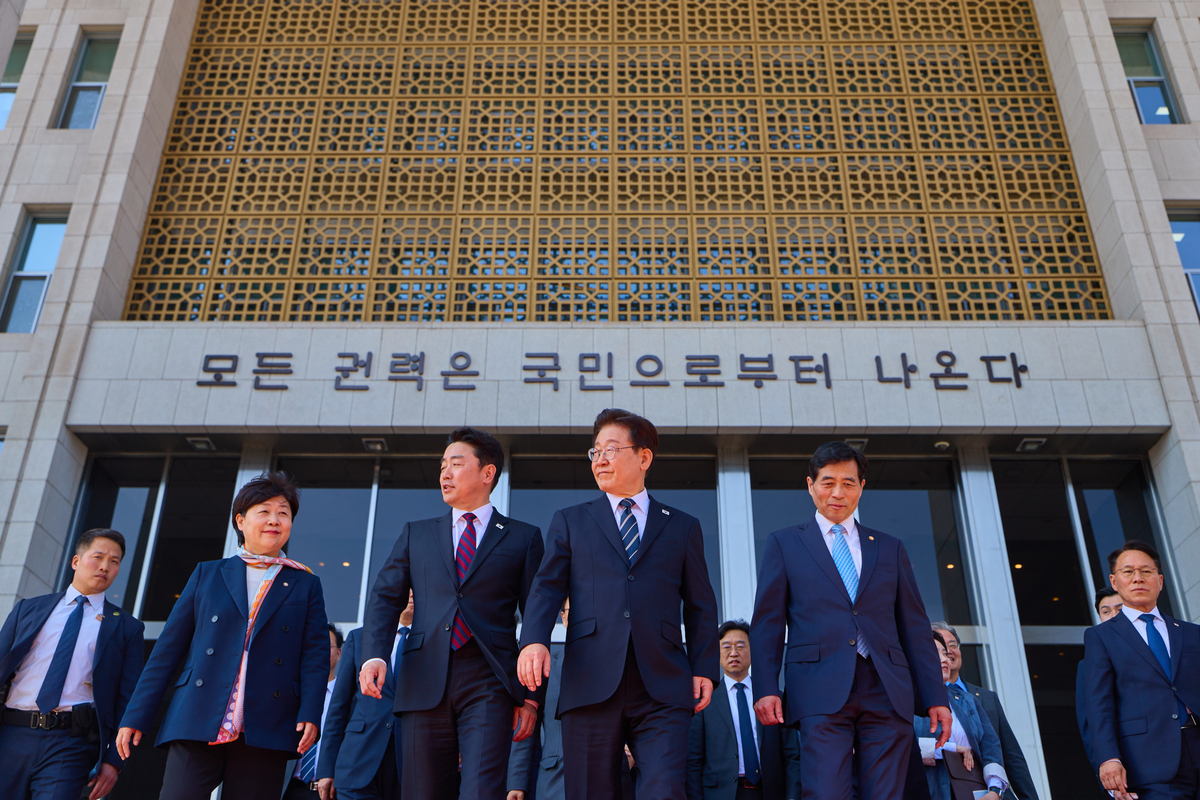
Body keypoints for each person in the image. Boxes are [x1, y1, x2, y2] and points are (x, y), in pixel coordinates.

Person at [517, 408, 721, 800]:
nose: (601, 459)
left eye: (612, 449)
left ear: (644, 457)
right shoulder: (571, 520)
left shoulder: (681, 525)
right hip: (590, 679)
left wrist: (704, 668)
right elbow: (545, 588)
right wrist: (534, 640)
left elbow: (700, 604)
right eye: (595, 452)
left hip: (662, 682)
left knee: (664, 790)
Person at [749, 441, 950, 800]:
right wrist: (766, 686)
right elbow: (767, 623)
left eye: (848, 482)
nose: (838, 493)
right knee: (825, 792)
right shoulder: (785, 544)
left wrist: (936, 696)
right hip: (817, 687)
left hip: (886, 687)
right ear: (810, 485)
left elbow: (915, 627)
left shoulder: (890, 547)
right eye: (828, 482)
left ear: (862, 487)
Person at [116, 471, 330, 800]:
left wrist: (310, 714)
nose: (274, 520)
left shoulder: (304, 583)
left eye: (283, 513)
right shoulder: (209, 573)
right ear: (241, 521)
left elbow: (314, 657)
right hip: (197, 715)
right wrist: (136, 716)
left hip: (267, 724)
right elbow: (166, 652)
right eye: (264, 511)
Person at [360, 427, 543, 800]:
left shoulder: (523, 537)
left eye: (456, 465)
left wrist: (530, 696)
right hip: (423, 676)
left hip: (490, 678)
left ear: (487, 473)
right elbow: (384, 596)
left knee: (482, 790)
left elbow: (536, 614)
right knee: (422, 791)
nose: (444, 473)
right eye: (442, 466)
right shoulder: (417, 534)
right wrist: (375, 654)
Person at [0, 528, 145, 800]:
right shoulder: (29, 609)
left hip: (70, 743)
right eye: (98, 557)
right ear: (76, 561)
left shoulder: (127, 628)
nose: (105, 566)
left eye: (114, 562)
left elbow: (130, 699)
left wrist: (114, 761)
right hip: (11, 734)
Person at [1085, 540, 1200, 799]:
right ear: (1115, 582)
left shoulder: (1192, 633)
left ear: (1160, 580)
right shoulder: (1102, 637)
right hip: (1151, 762)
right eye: (1128, 572)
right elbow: (1099, 704)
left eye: (1146, 572)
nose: (1138, 578)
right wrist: (1108, 758)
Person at [686, 620, 802, 800]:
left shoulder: (772, 697)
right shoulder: (704, 701)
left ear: (752, 650)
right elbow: (692, 761)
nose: (733, 653)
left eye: (740, 646)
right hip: (721, 794)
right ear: (717, 652)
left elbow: (792, 757)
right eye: (726, 647)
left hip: (768, 792)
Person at [320, 592, 413, 800]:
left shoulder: (435, 643)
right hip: (357, 762)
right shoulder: (360, 638)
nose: (411, 594)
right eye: (406, 588)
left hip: (410, 764)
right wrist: (326, 768)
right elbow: (338, 708)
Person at [932, 622, 1038, 800]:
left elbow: (1011, 757)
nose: (947, 653)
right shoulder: (912, 699)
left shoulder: (980, 698)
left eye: (951, 646)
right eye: (940, 649)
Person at [915, 631, 1008, 800]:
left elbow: (991, 747)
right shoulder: (904, 700)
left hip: (973, 793)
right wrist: (951, 749)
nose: (945, 658)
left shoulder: (968, 700)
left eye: (945, 653)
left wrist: (995, 791)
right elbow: (900, 746)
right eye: (935, 652)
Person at [283, 623, 344, 799]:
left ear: (339, 653)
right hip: (290, 787)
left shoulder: (348, 697)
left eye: (327, 645)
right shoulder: (294, 693)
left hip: (331, 791)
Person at [1076, 589, 1123, 773]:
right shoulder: (1088, 665)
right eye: (1106, 611)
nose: (1113, 617)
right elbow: (1089, 725)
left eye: (1120, 610)